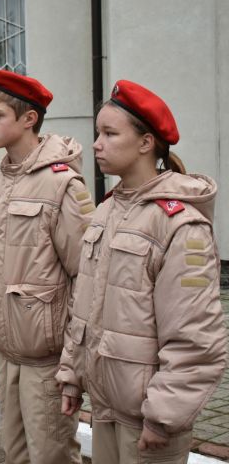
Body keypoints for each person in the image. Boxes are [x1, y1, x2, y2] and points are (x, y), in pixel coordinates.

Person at [56, 80, 227, 464]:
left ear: (146, 143)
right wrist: (72, 376)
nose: (97, 143)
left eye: (110, 133)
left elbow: (195, 338)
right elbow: (83, 307)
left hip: (149, 421)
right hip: (106, 408)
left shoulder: (181, 225)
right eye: (98, 132)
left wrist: (163, 416)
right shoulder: (105, 211)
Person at [0, 70, 92, 463]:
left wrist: (73, 361)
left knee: (52, 455)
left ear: (29, 119)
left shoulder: (63, 185)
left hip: (47, 358)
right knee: (14, 453)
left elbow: (85, 278)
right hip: (9, 354)